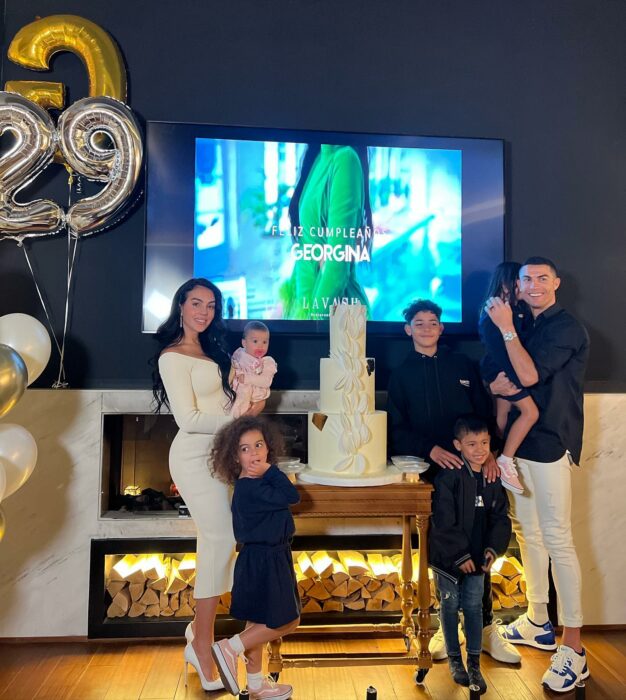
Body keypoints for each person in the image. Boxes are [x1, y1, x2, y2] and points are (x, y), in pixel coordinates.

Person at [387, 299, 520, 665]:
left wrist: (488, 452)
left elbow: (483, 414)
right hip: (433, 475)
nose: (427, 327)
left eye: (433, 322)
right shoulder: (400, 374)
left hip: (476, 472)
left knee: (478, 546)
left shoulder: (462, 365)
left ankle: (488, 629)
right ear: (408, 329)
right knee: (444, 549)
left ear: (441, 329)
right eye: (419, 322)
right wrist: (431, 450)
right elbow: (397, 429)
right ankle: (446, 633)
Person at [152, 278, 265, 691]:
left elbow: (222, 405)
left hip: (222, 455)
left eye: (211, 305)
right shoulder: (172, 357)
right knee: (220, 539)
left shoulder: (212, 351)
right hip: (192, 457)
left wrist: (250, 404)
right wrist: (237, 420)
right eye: (196, 303)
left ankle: (196, 638)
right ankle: (202, 643)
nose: (204, 311)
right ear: (180, 305)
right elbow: (190, 420)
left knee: (215, 542)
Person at [486, 257, 590, 693]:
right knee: (526, 532)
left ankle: (575, 650)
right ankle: (537, 621)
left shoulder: (566, 328)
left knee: (558, 538)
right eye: (527, 279)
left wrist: (508, 329)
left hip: (550, 445)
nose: (533, 285)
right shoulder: (529, 324)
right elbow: (512, 378)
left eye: (542, 278)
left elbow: (526, 373)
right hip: (522, 446)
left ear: (557, 283)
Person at [210, 416, 300, 700]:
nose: (255, 453)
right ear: (234, 457)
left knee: (257, 622)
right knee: (287, 620)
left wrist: (268, 473)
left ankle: (257, 684)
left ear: (268, 447)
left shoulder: (253, 485)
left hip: (262, 557)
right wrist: (272, 470)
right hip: (265, 559)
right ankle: (229, 648)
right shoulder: (253, 487)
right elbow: (292, 495)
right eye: (245, 449)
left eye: (258, 445)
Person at [430, 416, 512, 694]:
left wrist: (492, 551)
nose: (480, 449)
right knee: (450, 606)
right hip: (449, 560)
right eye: (472, 444)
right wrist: (459, 554)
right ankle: (455, 660)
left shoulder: (492, 479)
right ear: (458, 446)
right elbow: (442, 521)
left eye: (485, 443)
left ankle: (474, 663)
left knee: (475, 608)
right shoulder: (448, 478)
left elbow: (501, 518)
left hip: (478, 560)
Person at [282, 143, 372, 320]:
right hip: (308, 309)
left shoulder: (345, 158)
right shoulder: (318, 157)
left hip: (333, 318)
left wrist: (311, 323)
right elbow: (307, 249)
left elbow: (337, 262)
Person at [479, 262, 538, 494]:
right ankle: (505, 459)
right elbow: (501, 350)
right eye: (520, 282)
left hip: (499, 370)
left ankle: (495, 458)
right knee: (530, 412)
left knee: (502, 417)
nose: (524, 287)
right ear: (507, 285)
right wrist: (515, 378)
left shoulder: (503, 309)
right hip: (503, 371)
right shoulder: (497, 312)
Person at [231, 321, 278, 418]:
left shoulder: (267, 362)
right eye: (255, 341)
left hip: (253, 398)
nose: (260, 346)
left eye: (265, 342)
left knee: (240, 418)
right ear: (244, 343)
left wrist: (246, 378)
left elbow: (266, 381)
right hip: (234, 391)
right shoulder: (239, 353)